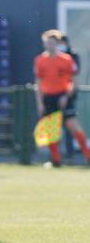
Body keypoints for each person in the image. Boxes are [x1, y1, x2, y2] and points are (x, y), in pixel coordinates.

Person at [34, 29, 90, 167]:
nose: (50, 46)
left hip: (63, 96)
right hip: (48, 98)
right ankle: (56, 160)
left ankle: (88, 156)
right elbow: (38, 84)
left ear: (57, 44)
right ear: (44, 44)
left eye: (53, 43)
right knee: (51, 131)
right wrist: (40, 102)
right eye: (47, 43)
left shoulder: (66, 59)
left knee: (73, 127)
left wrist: (66, 96)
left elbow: (74, 82)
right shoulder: (40, 60)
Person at [56, 35, 81, 159]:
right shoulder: (53, 56)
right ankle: (56, 155)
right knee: (55, 126)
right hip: (54, 96)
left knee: (70, 126)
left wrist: (67, 96)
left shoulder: (72, 56)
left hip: (68, 96)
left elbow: (74, 78)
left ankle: (70, 153)